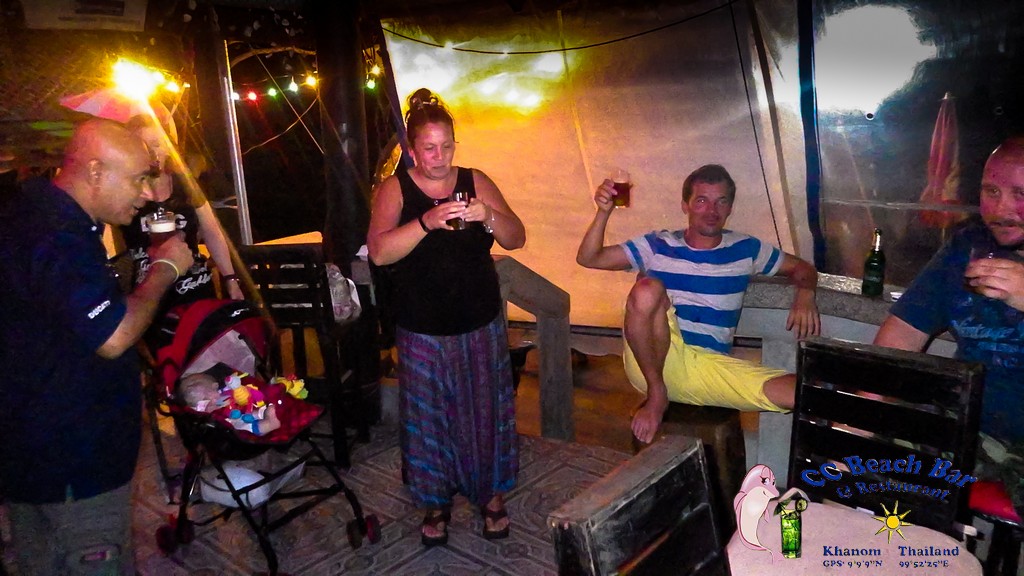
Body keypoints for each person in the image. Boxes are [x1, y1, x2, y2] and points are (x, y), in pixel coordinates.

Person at [0, 118, 193, 575]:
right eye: (137, 178)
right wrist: (165, 268)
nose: (146, 193)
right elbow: (113, 336)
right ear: (94, 171)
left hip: (31, 451)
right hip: (74, 462)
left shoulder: (30, 214)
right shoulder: (57, 236)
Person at [367, 88, 526, 547]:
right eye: (430, 148)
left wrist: (488, 214)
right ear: (412, 150)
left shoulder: (475, 180)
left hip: (479, 321)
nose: (440, 157)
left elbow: (516, 238)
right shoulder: (395, 188)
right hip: (421, 327)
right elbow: (379, 252)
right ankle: (435, 503)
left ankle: (490, 496)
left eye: (447, 146)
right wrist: (426, 222)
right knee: (429, 420)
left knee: (485, 413)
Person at [577, 164, 820, 444]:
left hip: (707, 367)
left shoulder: (746, 249)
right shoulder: (657, 244)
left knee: (802, 392)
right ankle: (657, 394)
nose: (711, 211)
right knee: (647, 289)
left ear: (730, 208)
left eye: (721, 201)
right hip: (653, 361)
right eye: (702, 200)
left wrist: (805, 294)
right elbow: (589, 258)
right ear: (686, 205)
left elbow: (802, 268)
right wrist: (603, 212)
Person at [873, 136, 1024, 519]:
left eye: (1021, 193)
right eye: (991, 191)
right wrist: (856, 419)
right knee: (858, 453)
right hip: (971, 427)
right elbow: (902, 335)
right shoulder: (966, 247)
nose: (1001, 209)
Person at [117, 105, 243, 349]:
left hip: (194, 288)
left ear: (169, 146)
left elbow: (212, 232)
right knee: (163, 359)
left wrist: (230, 278)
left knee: (204, 355)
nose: (153, 152)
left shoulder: (185, 184)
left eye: (157, 144)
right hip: (150, 293)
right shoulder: (125, 192)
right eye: (144, 145)